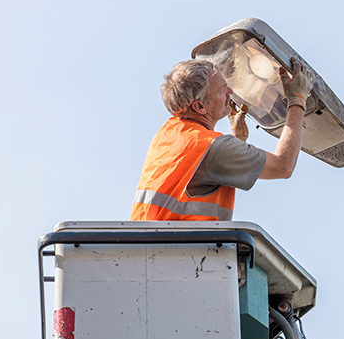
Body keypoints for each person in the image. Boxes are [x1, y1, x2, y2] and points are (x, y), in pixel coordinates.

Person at [130, 56, 312, 221]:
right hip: (182, 252)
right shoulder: (213, 147)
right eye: (222, 90)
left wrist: (237, 139)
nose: (230, 92)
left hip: (144, 249)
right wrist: (297, 100)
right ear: (200, 106)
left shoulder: (169, 134)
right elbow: (283, 167)